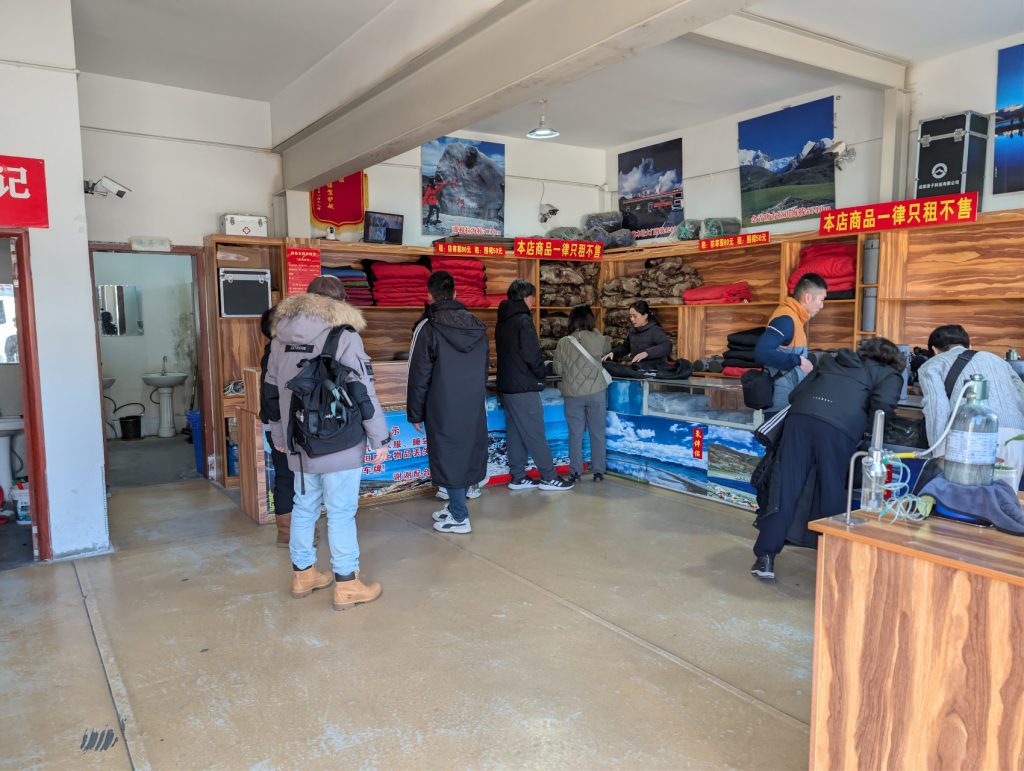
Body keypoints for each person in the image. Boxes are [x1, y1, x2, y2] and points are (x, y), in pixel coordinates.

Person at [265, 275, 390, 610]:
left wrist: (278, 435)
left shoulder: (280, 337)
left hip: (298, 441)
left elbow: (271, 392)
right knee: (340, 512)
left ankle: (303, 575)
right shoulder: (344, 336)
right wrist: (380, 436)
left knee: (305, 507)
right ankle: (347, 584)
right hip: (341, 442)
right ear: (341, 303)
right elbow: (362, 391)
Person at [751, 337, 905, 581]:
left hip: (799, 420)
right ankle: (832, 560)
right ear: (894, 359)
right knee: (831, 489)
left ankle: (765, 557)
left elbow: (796, 395)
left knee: (785, 487)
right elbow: (883, 407)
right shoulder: (888, 374)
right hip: (839, 428)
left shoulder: (832, 361)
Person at [407, 271, 489, 534]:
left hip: (441, 403)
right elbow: (485, 367)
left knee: (448, 454)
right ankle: (455, 505)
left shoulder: (428, 327)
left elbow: (418, 373)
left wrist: (415, 412)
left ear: (429, 296)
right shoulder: (477, 325)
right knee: (465, 451)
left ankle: (459, 515)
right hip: (473, 401)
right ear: (455, 294)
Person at [918, 324, 1024, 487]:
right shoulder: (999, 361)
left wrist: (939, 452)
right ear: (969, 346)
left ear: (934, 349)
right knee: (1005, 501)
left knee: (967, 501)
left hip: (972, 438)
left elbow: (936, 408)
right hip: (1016, 437)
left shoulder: (932, 364)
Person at [495, 279, 574, 491]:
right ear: (526, 297)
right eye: (533, 298)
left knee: (515, 432)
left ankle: (518, 477)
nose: (534, 302)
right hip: (523, 386)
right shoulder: (523, 320)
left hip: (507, 385)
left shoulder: (502, 319)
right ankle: (549, 477)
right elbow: (531, 354)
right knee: (535, 433)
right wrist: (543, 372)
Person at [753, 273, 828, 416]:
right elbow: (762, 351)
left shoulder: (795, 319)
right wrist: (798, 360)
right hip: (779, 408)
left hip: (789, 403)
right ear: (808, 297)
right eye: (821, 300)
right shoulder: (786, 319)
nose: (822, 306)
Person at [553, 304, 611, 482]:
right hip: (596, 392)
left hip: (572, 395)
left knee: (575, 434)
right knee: (598, 432)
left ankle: (575, 472)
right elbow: (608, 352)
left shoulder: (564, 342)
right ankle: (599, 471)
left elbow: (557, 369)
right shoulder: (600, 339)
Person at [259, 306, 297, 548]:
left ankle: (286, 534)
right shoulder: (279, 353)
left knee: (286, 478)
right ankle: (291, 533)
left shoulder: (271, 352)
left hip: (277, 425)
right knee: (295, 479)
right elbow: (272, 397)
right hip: (282, 426)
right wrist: (280, 432)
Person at [602, 301, 672, 368]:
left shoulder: (655, 330)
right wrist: (614, 353)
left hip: (655, 369)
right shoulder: (632, 330)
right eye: (630, 316)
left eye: (635, 316)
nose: (632, 319)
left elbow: (667, 345)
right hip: (638, 368)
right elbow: (626, 347)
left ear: (645, 316)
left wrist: (646, 353)